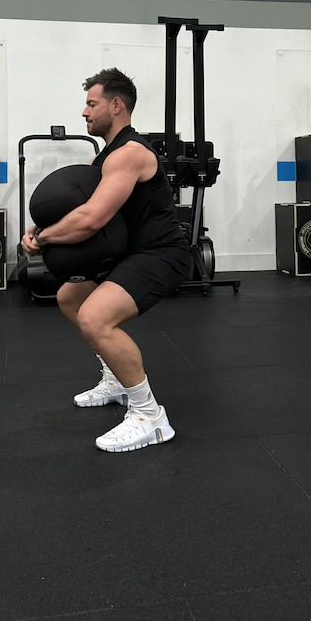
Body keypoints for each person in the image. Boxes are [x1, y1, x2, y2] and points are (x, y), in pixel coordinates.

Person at [21, 67, 191, 452]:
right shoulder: (107, 156)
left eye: (91, 103)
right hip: (132, 252)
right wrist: (37, 228)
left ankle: (150, 416)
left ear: (116, 106)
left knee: (95, 317)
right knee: (70, 298)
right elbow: (79, 208)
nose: (84, 112)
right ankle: (117, 379)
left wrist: (43, 238)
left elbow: (92, 218)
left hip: (162, 254)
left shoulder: (129, 154)